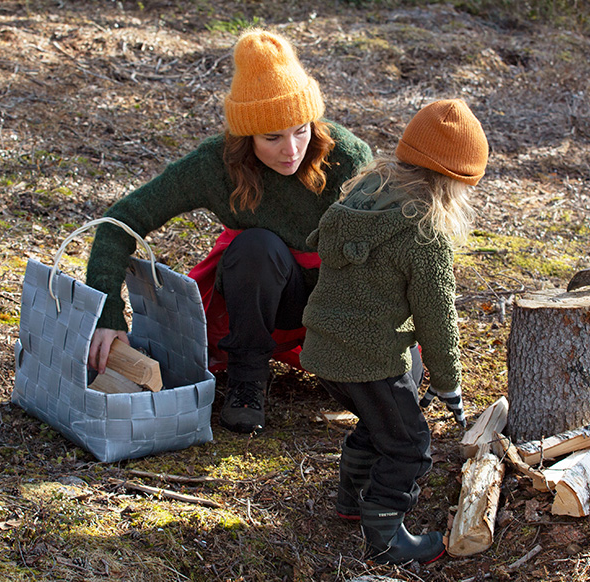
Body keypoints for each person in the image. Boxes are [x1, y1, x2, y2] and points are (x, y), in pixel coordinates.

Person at [83, 29, 373, 434]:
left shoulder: (345, 156)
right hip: (266, 296)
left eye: (301, 129)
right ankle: (247, 378)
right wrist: (108, 314)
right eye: (272, 137)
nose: (291, 150)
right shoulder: (215, 166)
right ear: (246, 134)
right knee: (256, 247)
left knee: (390, 392)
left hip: (339, 298)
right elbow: (121, 220)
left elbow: (382, 248)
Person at [299, 99, 487, 565]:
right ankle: (385, 538)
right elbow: (438, 319)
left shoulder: (358, 199)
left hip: (323, 350)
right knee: (408, 445)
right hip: (370, 360)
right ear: (456, 181)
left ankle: (351, 501)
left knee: (377, 422)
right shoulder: (424, 234)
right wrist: (448, 384)